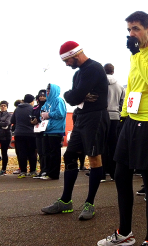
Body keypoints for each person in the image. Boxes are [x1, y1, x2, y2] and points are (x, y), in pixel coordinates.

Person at [98, 11, 148, 246]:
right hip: (130, 120)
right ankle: (125, 232)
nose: (132, 34)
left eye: (136, 29)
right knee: (121, 175)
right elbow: (132, 87)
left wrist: (136, 53)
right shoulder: (135, 56)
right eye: (129, 30)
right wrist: (123, 117)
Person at [41, 41, 109, 221]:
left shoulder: (94, 68)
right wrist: (72, 94)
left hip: (96, 117)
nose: (66, 64)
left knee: (94, 159)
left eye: (67, 60)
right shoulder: (79, 74)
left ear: (75, 55)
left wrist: (76, 94)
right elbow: (72, 96)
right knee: (70, 156)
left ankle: (90, 203)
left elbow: (76, 95)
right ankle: (65, 201)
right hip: (82, 117)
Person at [102, 63, 125, 181]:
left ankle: (102, 171)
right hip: (115, 116)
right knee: (113, 145)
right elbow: (123, 102)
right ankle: (114, 171)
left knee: (102, 144)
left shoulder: (100, 84)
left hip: (103, 116)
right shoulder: (120, 86)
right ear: (113, 71)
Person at [39, 83, 67, 180]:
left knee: (54, 153)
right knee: (46, 152)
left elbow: (61, 114)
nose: (47, 91)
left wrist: (49, 115)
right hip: (46, 129)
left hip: (55, 130)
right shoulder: (47, 102)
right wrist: (41, 116)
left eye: (49, 90)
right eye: (47, 89)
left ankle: (54, 174)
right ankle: (47, 171)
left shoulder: (58, 100)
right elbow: (42, 112)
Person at [10, 94, 38, 178]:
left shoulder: (17, 108)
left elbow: (12, 120)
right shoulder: (32, 108)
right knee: (32, 152)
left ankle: (23, 171)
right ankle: (32, 170)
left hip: (18, 133)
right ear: (32, 101)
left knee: (22, 152)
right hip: (30, 133)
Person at [31, 89, 47, 178]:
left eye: (43, 95)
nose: (41, 97)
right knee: (40, 152)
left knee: (45, 152)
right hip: (37, 131)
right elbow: (32, 116)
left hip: (46, 131)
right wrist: (32, 121)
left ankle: (46, 170)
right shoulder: (36, 107)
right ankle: (42, 170)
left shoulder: (48, 106)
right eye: (40, 96)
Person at [0, 100, 12, 175]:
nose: (3, 107)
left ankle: (3, 169)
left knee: (4, 152)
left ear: (7, 107)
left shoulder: (9, 115)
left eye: (4, 106)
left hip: (6, 136)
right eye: (1, 106)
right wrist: (0, 124)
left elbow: (7, 123)